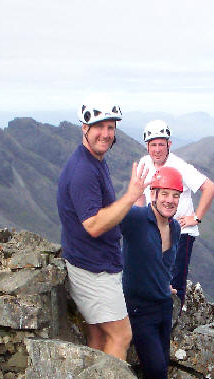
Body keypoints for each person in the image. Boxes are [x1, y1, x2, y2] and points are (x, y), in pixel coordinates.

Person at [56, 98, 148, 360]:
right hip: (93, 269)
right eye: (99, 127)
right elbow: (94, 225)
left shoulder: (94, 161)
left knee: (97, 335)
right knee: (121, 335)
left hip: (91, 262)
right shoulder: (84, 170)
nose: (106, 134)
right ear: (85, 127)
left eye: (111, 127)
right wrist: (130, 197)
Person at [120, 165, 192, 379]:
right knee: (156, 365)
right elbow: (111, 219)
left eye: (175, 195)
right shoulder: (138, 219)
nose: (170, 200)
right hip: (138, 307)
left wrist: (165, 282)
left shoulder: (174, 227)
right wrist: (130, 194)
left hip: (163, 305)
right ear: (154, 194)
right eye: (165, 194)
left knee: (160, 362)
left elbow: (166, 262)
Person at [136, 120, 214, 306]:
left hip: (181, 233)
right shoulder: (144, 163)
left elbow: (210, 188)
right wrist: (140, 220)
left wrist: (196, 218)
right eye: (153, 144)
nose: (157, 149)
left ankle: (173, 324)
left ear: (168, 145)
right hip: (154, 231)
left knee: (174, 280)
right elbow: (139, 194)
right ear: (147, 146)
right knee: (153, 276)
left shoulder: (179, 167)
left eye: (161, 144)